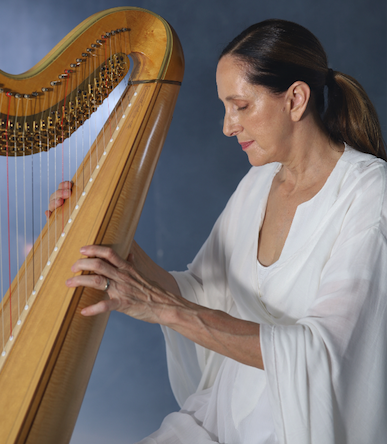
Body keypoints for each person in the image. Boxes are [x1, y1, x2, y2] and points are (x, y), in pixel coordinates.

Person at [48, 19, 387, 444]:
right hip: (222, 415)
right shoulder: (260, 182)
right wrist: (107, 241)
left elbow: (326, 354)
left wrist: (162, 308)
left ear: (296, 99)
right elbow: (198, 292)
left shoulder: (370, 193)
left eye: (241, 106)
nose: (228, 127)